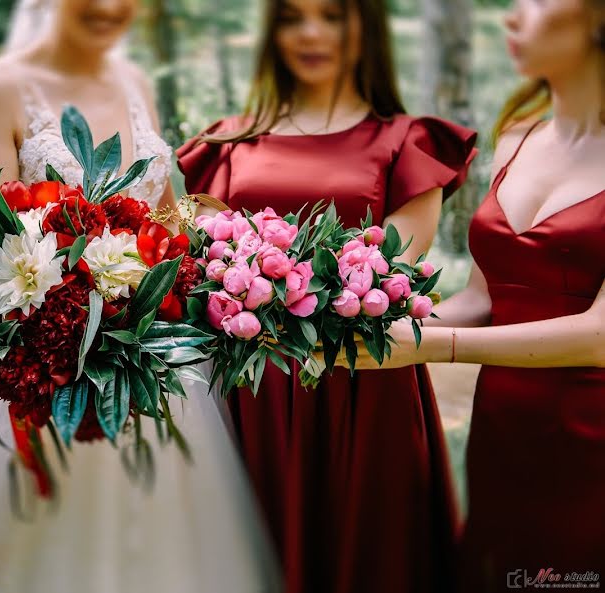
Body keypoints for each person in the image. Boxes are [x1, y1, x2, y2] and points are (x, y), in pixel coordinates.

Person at [0, 1, 281, 591]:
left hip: (155, 356)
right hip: (46, 366)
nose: (110, 7)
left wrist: (233, 256)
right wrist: (76, 313)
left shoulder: (134, 81)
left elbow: (166, 223)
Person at [177, 0, 477, 591]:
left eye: (332, 15)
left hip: (363, 381)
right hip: (251, 387)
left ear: (363, 25)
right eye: (292, 17)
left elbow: (397, 272)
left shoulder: (409, 143)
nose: (311, 33)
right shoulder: (226, 143)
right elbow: (199, 265)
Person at [348, 1, 605, 589]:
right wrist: (367, 323)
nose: (515, 17)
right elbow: (482, 298)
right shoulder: (518, 139)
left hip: (591, 439)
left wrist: (430, 349)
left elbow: (600, 336)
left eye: (540, 1)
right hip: (503, 431)